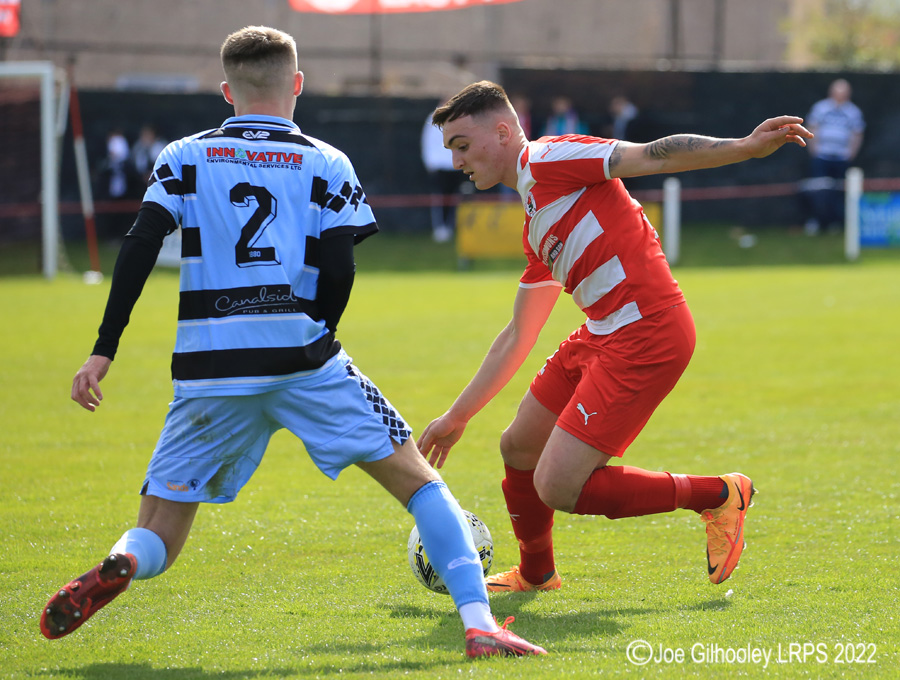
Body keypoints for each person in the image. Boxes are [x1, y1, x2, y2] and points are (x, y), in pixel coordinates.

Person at [40, 30, 545, 659]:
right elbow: (340, 267)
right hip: (304, 358)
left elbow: (140, 244)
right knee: (421, 484)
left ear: (228, 92)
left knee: (159, 535)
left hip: (210, 367)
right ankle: (479, 624)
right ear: (297, 85)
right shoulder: (325, 160)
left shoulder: (184, 155)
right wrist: (317, 334)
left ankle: (120, 561)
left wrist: (103, 348)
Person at [418, 81, 813, 593]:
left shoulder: (551, 159)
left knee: (558, 485)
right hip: (604, 332)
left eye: (462, 146)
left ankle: (719, 495)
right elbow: (519, 332)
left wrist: (743, 147)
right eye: (452, 150)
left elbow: (652, 156)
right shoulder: (535, 217)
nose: (457, 163)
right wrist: (457, 416)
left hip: (649, 330)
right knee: (518, 447)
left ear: (502, 131)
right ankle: (538, 574)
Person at [802, 78, 865, 235]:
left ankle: (837, 223)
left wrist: (850, 154)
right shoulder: (821, 108)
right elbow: (812, 128)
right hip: (822, 156)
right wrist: (815, 151)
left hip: (841, 158)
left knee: (839, 192)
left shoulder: (853, 112)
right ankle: (817, 221)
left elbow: (857, 134)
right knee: (818, 191)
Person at [421, 108, 467, 243]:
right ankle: (440, 229)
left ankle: (450, 227)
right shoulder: (432, 118)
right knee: (439, 199)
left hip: (455, 167)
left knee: (455, 198)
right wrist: (431, 163)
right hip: (439, 166)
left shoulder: (460, 119)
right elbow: (428, 142)